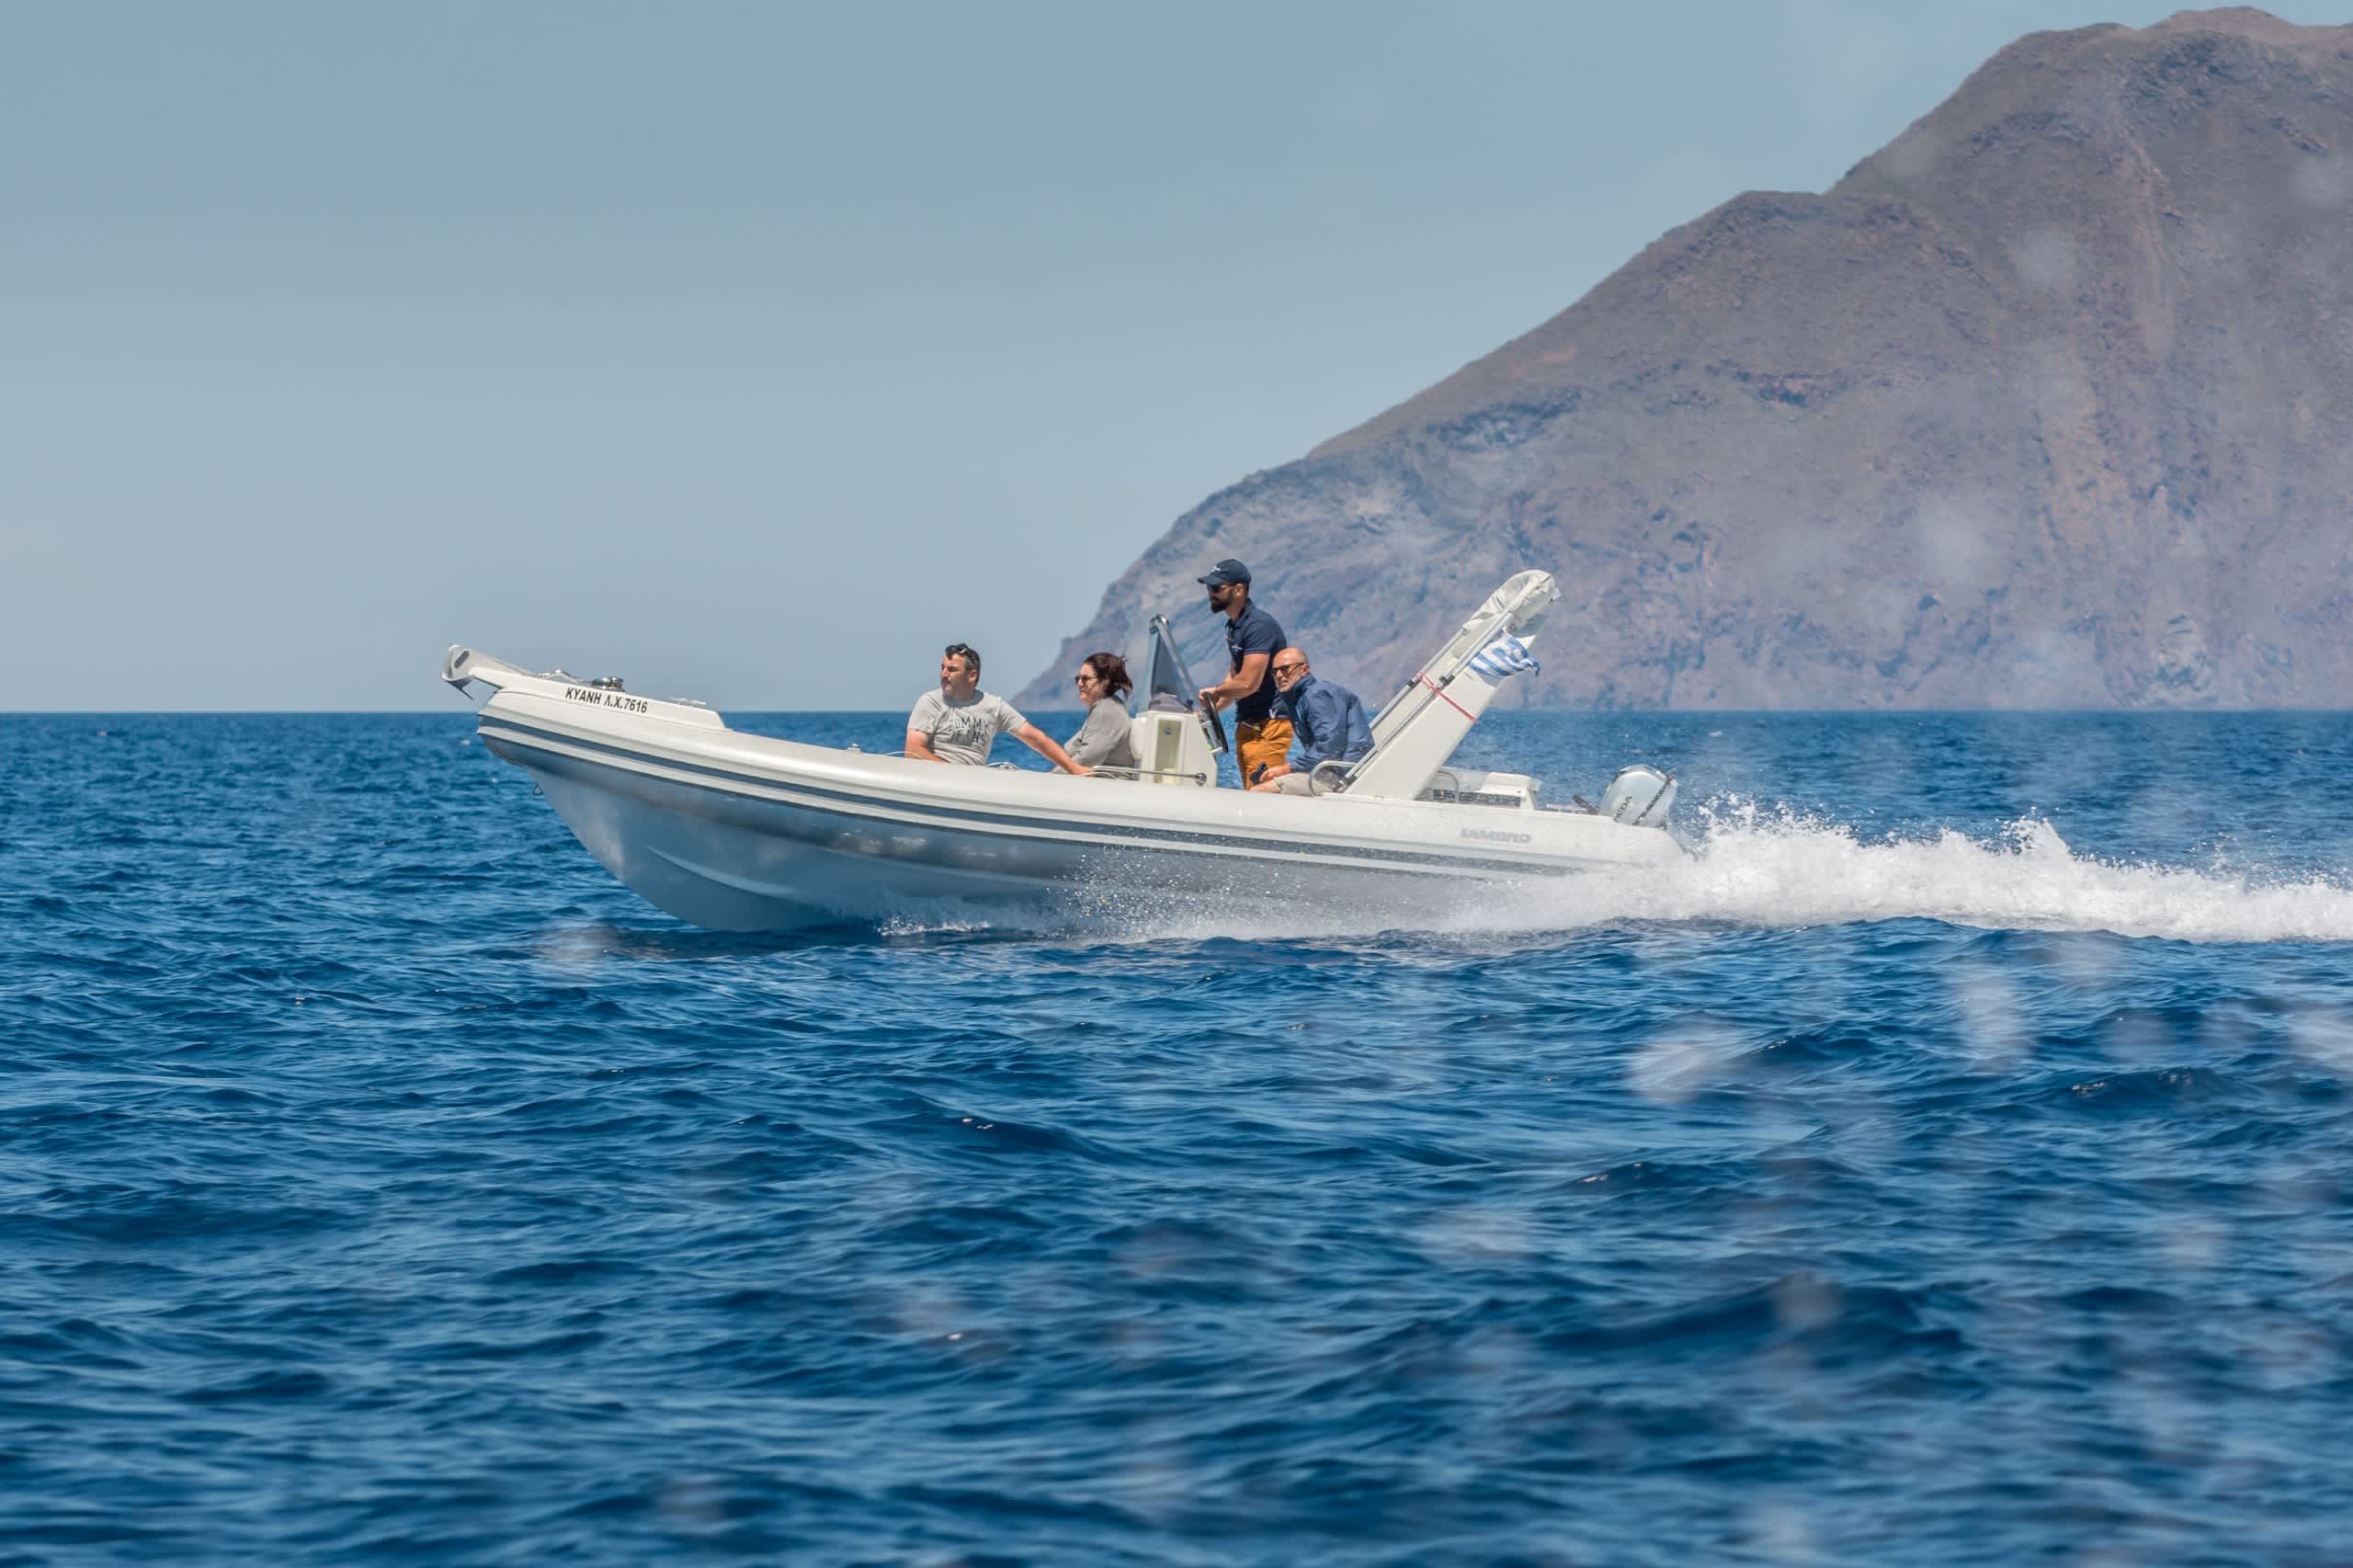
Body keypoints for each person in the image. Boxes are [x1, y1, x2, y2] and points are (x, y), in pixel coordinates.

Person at [906, 642, 1088, 773]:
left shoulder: (993, 706)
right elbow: (913, 751)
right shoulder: (930, 702)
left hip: (972, 787)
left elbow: (1036, 738)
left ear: (972, 675)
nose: (944, 674)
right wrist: (957, 774)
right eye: (942, 668)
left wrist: (1074, 769)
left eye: (952, 669)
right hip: (934, 780)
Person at [1191, 558, 1290, 787]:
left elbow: (1248, 683)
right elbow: (1234, 678)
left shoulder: (1259, 626)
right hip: (1248, 725)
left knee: (1264, 796)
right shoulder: (1234, 626)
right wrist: (1208, 711)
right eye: (1208, 588)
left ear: (1238, 590)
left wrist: (1215, 690)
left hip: (1269, 726)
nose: (1210, 593)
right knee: (1252, 792)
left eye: (1216, 588)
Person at [1250, 648, 1373, 794]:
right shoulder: (1300, 698)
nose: (1278, 675)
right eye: (1274, 671)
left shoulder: (1316, 695)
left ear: (1304, 669)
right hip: (1331, 772)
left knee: (1259, 791)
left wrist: (1287, 768)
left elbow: (1329, 747)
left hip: (1341, 777)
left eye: (1285, 669)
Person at [1064, 652, 1137, 770]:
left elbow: (1086, 759)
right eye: (1078, 678)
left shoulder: (1106, 711)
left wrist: (1049, 779)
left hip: (1107, 784)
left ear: (1105, 681)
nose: (1079, 683)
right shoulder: (1104, 707)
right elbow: (1069, 752)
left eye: (1085, 679)